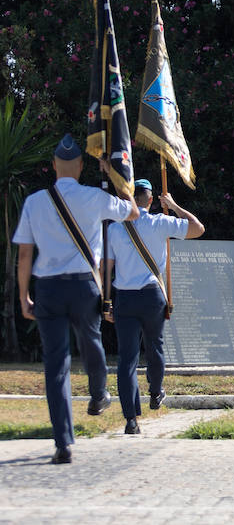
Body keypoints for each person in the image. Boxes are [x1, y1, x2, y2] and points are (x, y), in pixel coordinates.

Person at [13, 134, 138, 463]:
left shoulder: (35, 202)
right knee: (90, 339)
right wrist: (113, 173)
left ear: (54, 166)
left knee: (56, 365)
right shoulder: (94, 197)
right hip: (85, 285)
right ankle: (99, 393)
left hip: (49, 289)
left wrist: (24, 296)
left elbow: (25, 255)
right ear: (81, 167)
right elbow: (134, 212)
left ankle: (63, 443)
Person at [108, 179, 205, 434]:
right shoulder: (160, 222)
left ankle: (131, 420)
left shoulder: (114, 228)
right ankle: (155, 391)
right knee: (155, 345)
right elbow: (198, 228)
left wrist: (106, 302)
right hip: (152, 295)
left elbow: (105, 267)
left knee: (127, 359)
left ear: (130, 197)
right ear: (151, 200)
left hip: (125, 297)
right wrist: (174, 206)